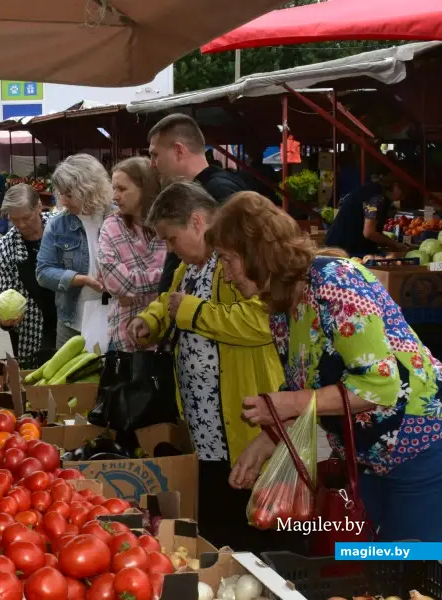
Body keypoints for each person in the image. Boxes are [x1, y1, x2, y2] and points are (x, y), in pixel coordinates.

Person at [210, 192, 442, 543]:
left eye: (228, 260)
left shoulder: (336, 282)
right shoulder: (282, 307)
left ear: (255, 250)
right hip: (367, 457)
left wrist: (286, 405)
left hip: (419, 445)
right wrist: (268, 438)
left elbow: (379, 386)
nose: (226, 275)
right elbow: (307, 384)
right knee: (372, 562)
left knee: (413, 565)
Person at [126, 182, 300, 553]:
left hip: (240, 416)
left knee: (247, 506)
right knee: (217, 505)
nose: (171, 249)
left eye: (172, 239)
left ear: (196, 221)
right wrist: (150, 321)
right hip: (204, 423)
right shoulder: (191, 268)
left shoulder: (237, 265)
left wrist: (192, 312)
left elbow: (260, 321)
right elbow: (170, 301)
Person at [147, 113, 252, 294]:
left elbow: (243, 263)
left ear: (179, 150)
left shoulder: (220, 191)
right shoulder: (208, 188)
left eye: (155, 155)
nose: (152, 164)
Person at [36, 154, 110, 349]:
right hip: (71, 322)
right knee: (68, 379)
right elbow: (43, 272)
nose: (64, 201)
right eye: (61, 194)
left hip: (116, 318)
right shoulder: (58, 225)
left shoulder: (117, 217)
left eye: (69, 194)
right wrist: (82, 279)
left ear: (89, 189)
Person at [97, 157, 166, 352]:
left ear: (145, 188)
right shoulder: (112, 227)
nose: (115, 196)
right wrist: (165, 277)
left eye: (122, 189)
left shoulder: (169, 225)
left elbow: (185, 276)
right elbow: (118, 284)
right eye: (114, 188)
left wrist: (133, 288)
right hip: (125, 339)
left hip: (166, 339)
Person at [0, 184, 57, 368]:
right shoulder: (4, 248)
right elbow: (6, 291)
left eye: (26, 218)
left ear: (39, 207)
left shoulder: (60, 228)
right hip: (32, 330)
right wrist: (7, 321)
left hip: (66, 316)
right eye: (14, 219)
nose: (21, 225)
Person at [325, 173, 409, 257]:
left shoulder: (373, 192)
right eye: (403, 192)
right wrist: (393, 243)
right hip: (343, 248)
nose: (403, 198)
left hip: (344, 245)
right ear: (395, 187)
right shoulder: (376, 197)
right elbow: (369, 233)